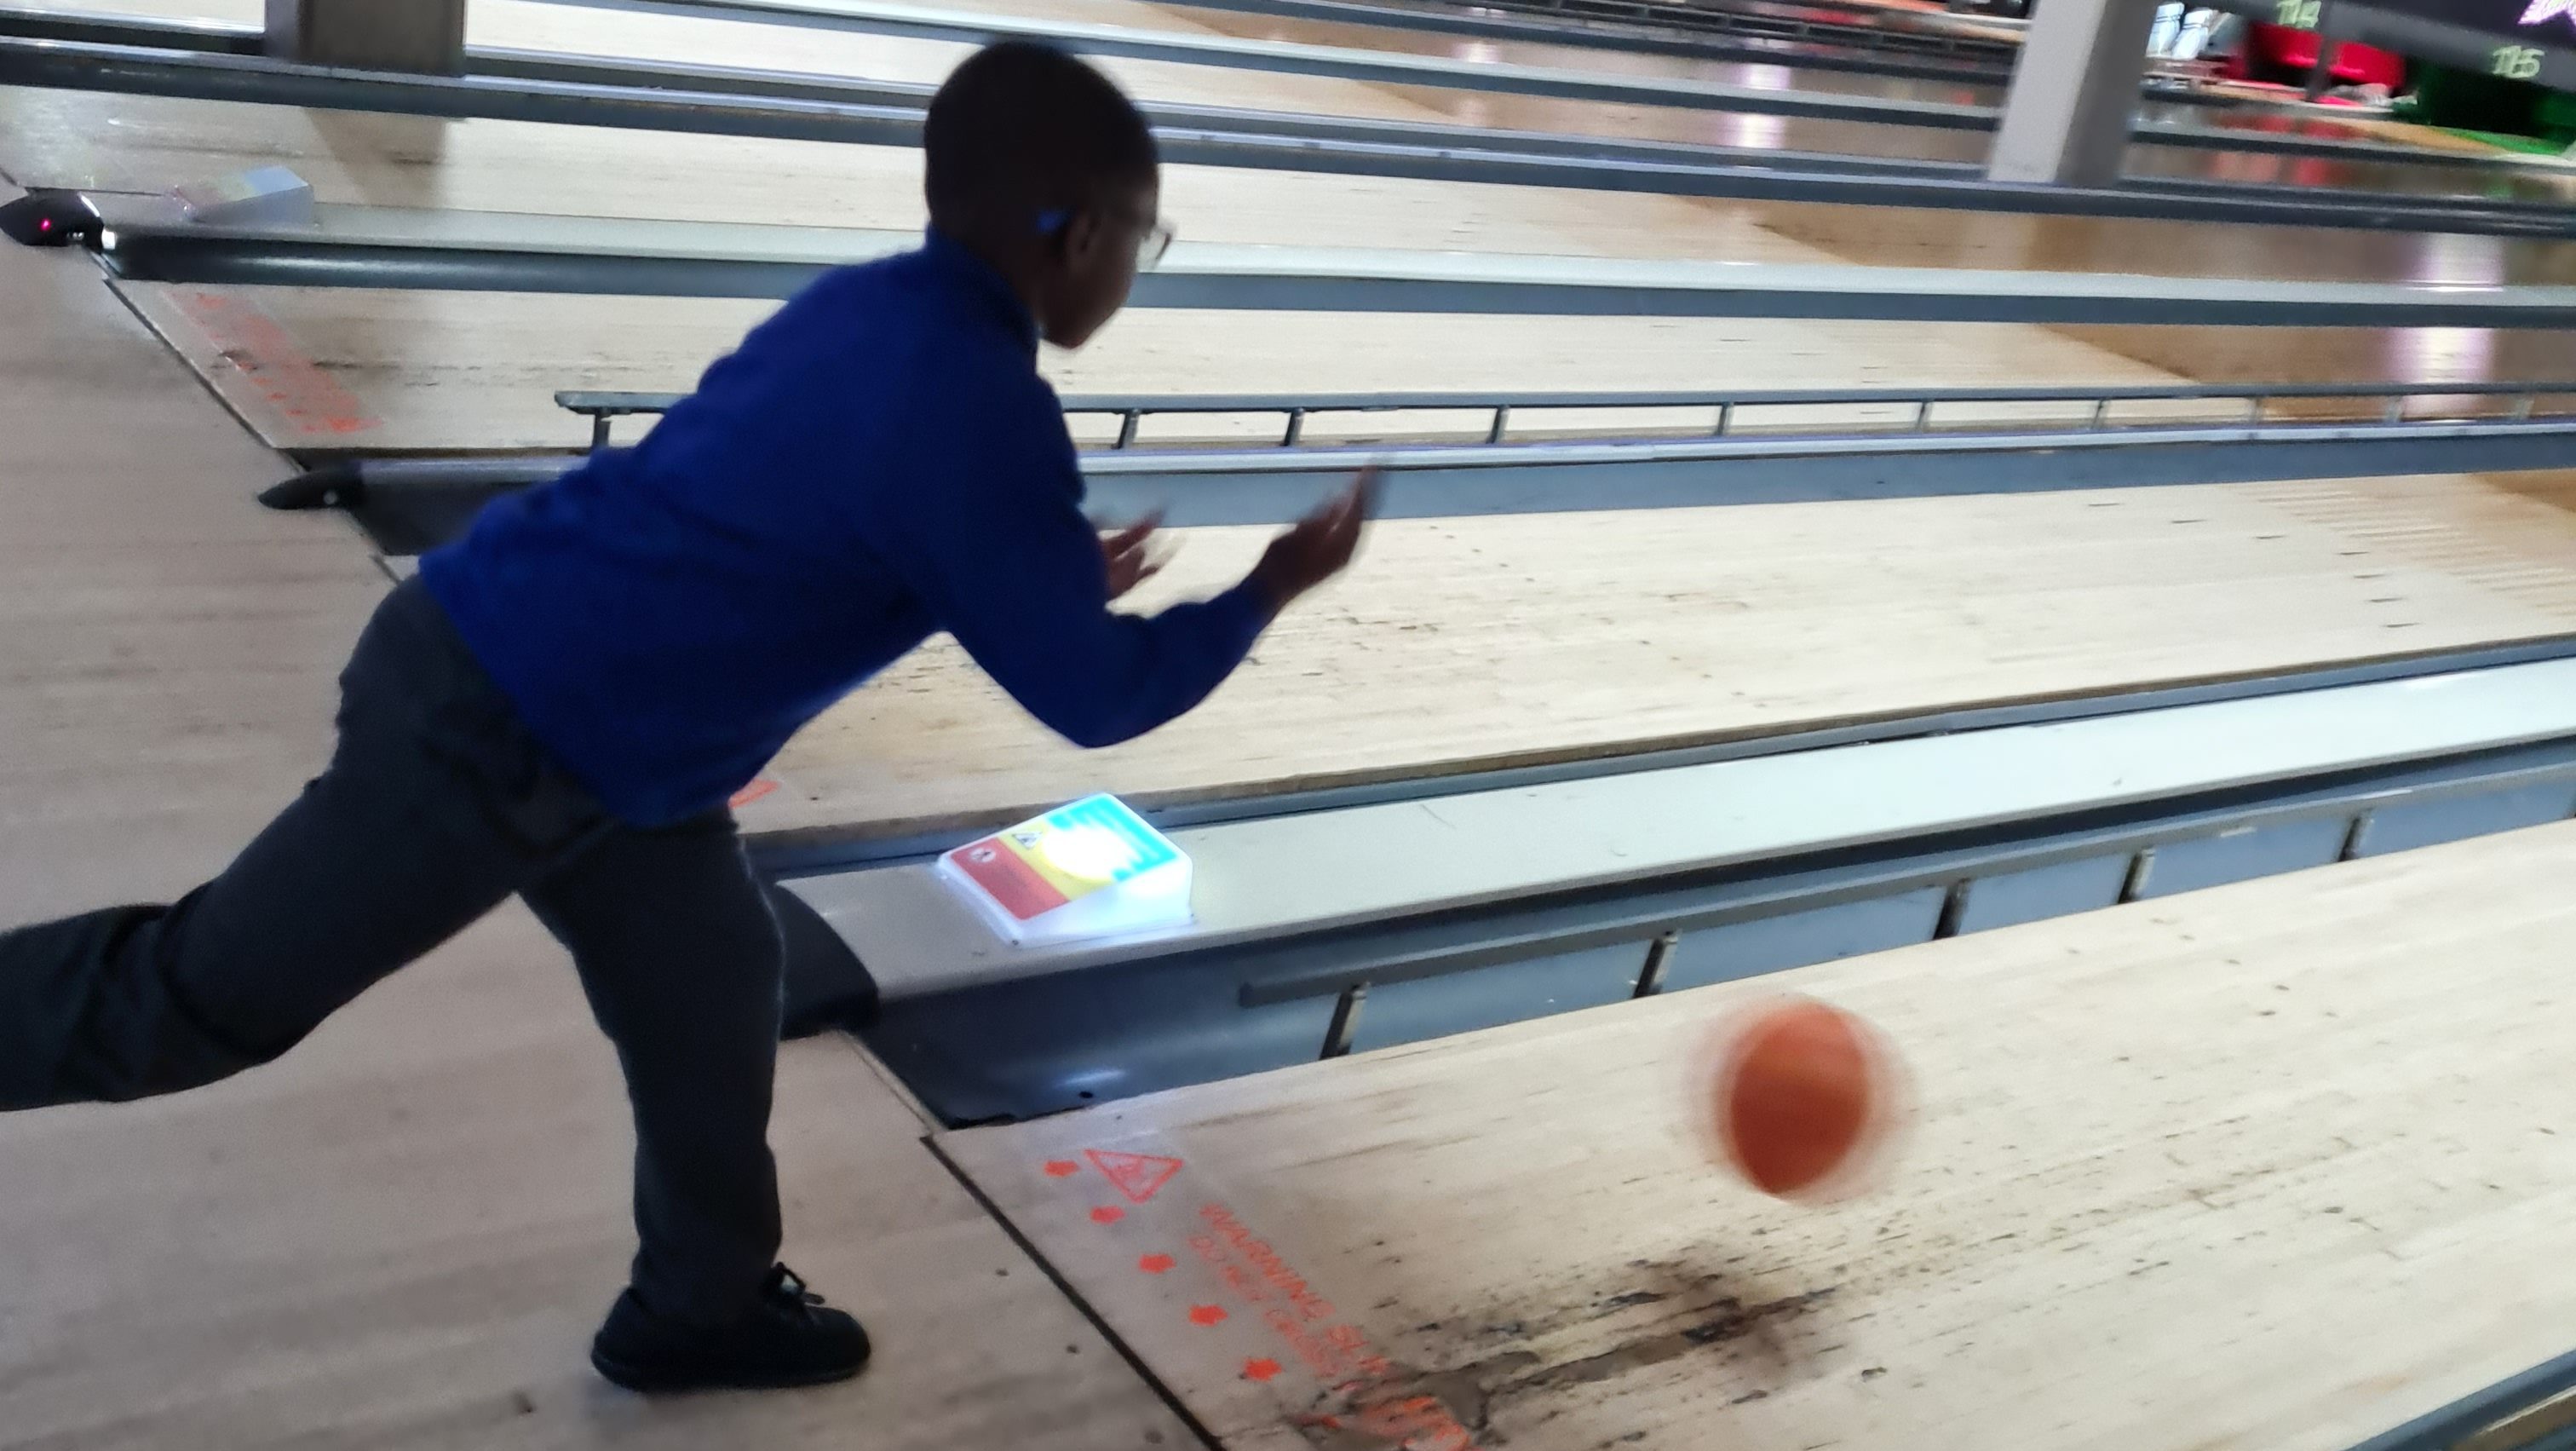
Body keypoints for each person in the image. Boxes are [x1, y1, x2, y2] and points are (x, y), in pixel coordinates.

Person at [0, 41, 1373, 1394]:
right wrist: (1267, 588)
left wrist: (1038, 572)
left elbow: (838, 505)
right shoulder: (984, 409)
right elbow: (1095, 695)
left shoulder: (875, 308)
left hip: (615, 746)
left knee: (718, 983)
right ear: (1075, 235)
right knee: (200, 1001)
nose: (1142, 264)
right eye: (1147, 234)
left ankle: (697, 1308)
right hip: (499, 724)